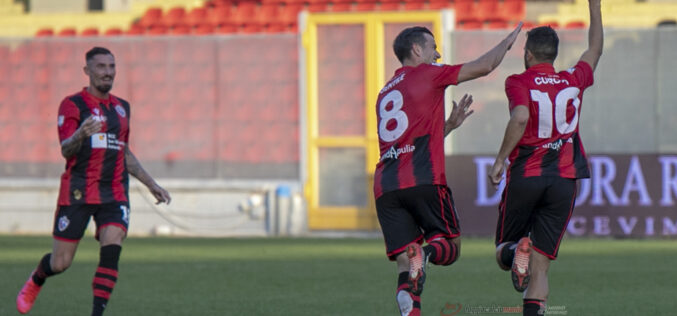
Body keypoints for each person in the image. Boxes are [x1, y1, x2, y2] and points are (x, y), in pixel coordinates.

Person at [374, 24, 522, 316]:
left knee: (406, 265)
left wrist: (449, 126)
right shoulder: (428, 73)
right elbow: (485, 66)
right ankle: (426, 253)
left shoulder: (385, 92)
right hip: (423, 179)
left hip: (386, 187)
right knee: (450, 247)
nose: (437, 54)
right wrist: (507, 41)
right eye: (433, 48)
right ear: (417, 50)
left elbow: (407, 143)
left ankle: (411, 300)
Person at [16, 47, 171, 316]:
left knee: (112, 246)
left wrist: (150, 183)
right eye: (100, 67)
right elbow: (66, 149)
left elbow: (122, 150)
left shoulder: (122, 108)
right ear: (87, 71)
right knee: (61, 263)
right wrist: (80, 134)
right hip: (78, 191)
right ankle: (37, 279)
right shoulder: (72, 105)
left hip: (114, 192)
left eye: (111, 67)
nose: (107, 72)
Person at [488, 0, 603, 315]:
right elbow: (595, 49)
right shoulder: (572, 79)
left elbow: (521, 117)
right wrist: (595, 6)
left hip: (527, 175)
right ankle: (528, 263)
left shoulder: (518, 81)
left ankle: (516, 250)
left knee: (502, 251)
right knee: (541, 267)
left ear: (528, 54)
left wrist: (500, 159)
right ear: (554, 54)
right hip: (564, 181)